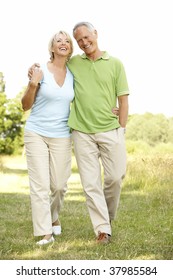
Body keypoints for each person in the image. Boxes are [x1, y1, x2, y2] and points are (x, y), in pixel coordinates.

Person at [29, 21, 129, 245]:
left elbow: (123, 99)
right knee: (91, 183)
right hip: (81, 132)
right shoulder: (74, 63)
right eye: (79, 40)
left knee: (115, 177)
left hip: (111, 129)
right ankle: (102, 229)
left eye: (86, 37)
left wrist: (121, 127)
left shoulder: (115, 64)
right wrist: (34, 68)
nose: (84, 42)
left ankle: (108, 218)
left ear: (96, 34)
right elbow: (54, 66)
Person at [21, 30, 74, 245]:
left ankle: (53, 217)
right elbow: (25, 105)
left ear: (70, 48)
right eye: (58, 40)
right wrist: (33, 83)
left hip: (62, 134)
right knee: (40, 185)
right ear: (52, 48)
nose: (63, 43)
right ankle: (45, 233)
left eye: (67, 41)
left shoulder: (75, 72)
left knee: (60, 185)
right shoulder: (40, 71)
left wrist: (113, 109)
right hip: (36, 132)